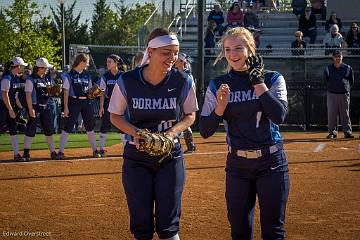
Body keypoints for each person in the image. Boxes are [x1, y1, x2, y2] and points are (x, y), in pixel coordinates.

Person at [199, 27, 289, 239]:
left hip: (272, 163)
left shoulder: (273, 78)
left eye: (238, 48)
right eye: (228, 49)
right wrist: (220, 107)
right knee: (239, 232)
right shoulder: (218, 85)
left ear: (251, 48)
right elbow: (204, 130)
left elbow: (279, 116)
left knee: (273, 232)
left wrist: (258, 82)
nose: (233, 54)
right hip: (237, 166)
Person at [108, 27, 198, 240]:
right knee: (142, 226)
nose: (172, 58)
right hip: (136, 157)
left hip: (170, 156)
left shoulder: (183, 81)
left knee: (169, 225)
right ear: (150, 52)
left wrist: (171, 133)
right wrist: (137, 133)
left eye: (175, 52)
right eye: (166, 52)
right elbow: (115, 116)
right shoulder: (128, 81)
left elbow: (190, 115)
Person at [57, 53, 101, 159]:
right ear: (81, 62)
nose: (88, 65)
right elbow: (66, 92)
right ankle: (61, 151)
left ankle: (95, 150)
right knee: (69, 125)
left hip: (86, 102)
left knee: (89, 126)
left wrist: (95, 92)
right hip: (74, 102)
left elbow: (90, 91)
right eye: (87, 62)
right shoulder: (69, 75)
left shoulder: (87, 75)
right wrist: (66, 107)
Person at [23, 57, 58, 161]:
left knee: (49, 130)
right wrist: (30, 109)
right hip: (35, 107)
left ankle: (52, 152)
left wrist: (54, 92)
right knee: (31, 130)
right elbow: (28, 95)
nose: (47, 69)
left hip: (46, 107)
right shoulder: (31, 79)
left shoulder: (48, 78)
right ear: (40, 68)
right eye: (46, 67)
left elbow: (50, 92)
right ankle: (26, 153)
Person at [0, 57, 29, 161]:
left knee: (13, 130)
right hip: (3, 107)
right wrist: (10, 110)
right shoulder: (7, 78)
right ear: (17, 66)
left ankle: (16, 154)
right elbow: (4, 95)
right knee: (2, 128)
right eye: (21, 66)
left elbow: (15, 96)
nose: (22, 67)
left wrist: (20, 107)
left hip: (10, 106)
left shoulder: (16, 77)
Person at [324, 50, 354, 139]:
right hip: (331, 94)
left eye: (339, 56)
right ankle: (332, 133)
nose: (338, 58)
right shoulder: (328, 69)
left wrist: (345, 89)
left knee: (345, 114)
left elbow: (351, 82)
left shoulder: (348, 68)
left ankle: (347, 132)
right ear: (333, 58)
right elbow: (325, 81)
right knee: (332, 114)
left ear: (342, 57)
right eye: (336, 56)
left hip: (344, 94)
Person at [98, 54, 124, 157]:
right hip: (108, 103)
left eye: (110, 62)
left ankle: (126, 149)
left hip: (121, 103)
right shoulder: (105, 76)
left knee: (122, 127)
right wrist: (101, 107)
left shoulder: (122, 75)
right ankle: (101, 149)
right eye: (107, 62)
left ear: (116, 63)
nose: (107, 64)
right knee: (104, 125)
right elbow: (102, 93)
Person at [174, 52, 197, 153]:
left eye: (178, 60)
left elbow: (192, 90)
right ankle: (190, 145)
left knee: (185, 122)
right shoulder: (174, 73)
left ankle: (191, 145)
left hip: (184, 101)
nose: (175, 61)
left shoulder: (187, 74)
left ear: (182, 62)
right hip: (177, 101)